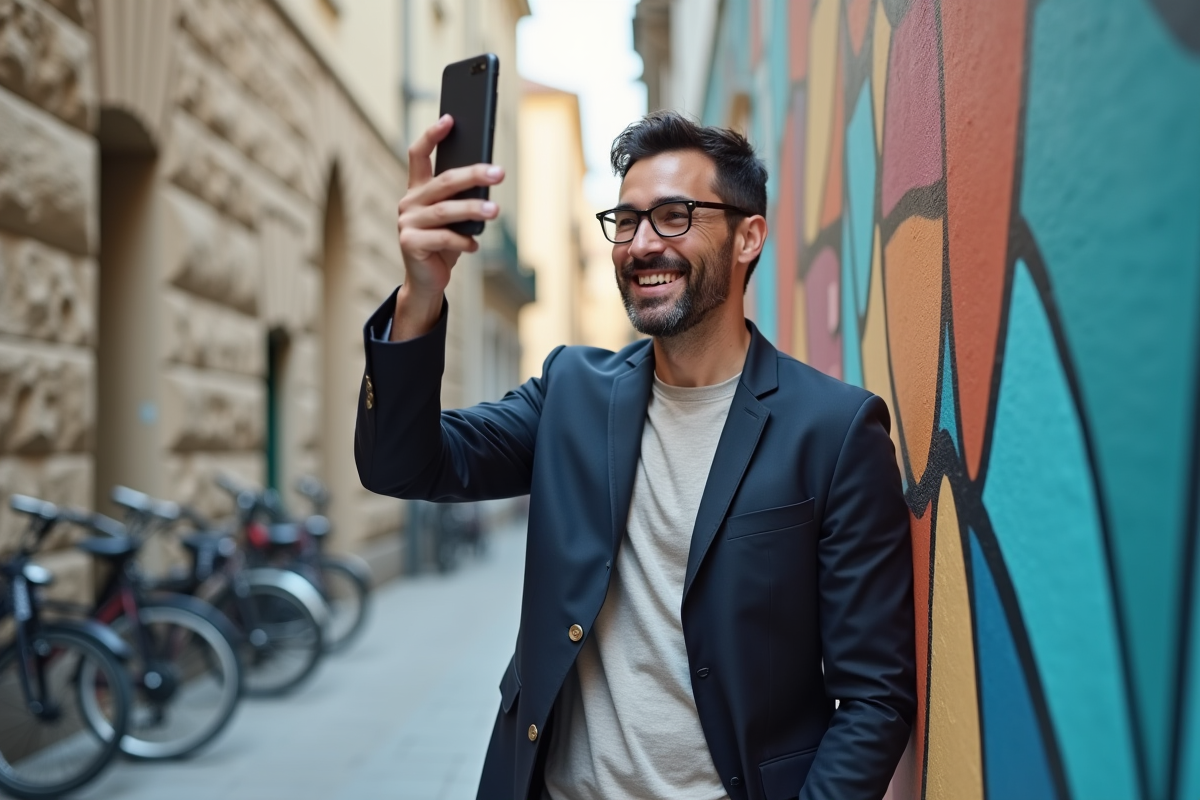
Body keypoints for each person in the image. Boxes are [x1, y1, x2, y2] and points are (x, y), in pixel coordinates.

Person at [355, 111, 916, 800]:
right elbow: (402, 464)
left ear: (748, 237)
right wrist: (421, 294)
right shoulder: (572, 392)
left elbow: (876, 696)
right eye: (625, 221)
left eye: (674, 217)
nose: (642, 244)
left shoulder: (834, 431)